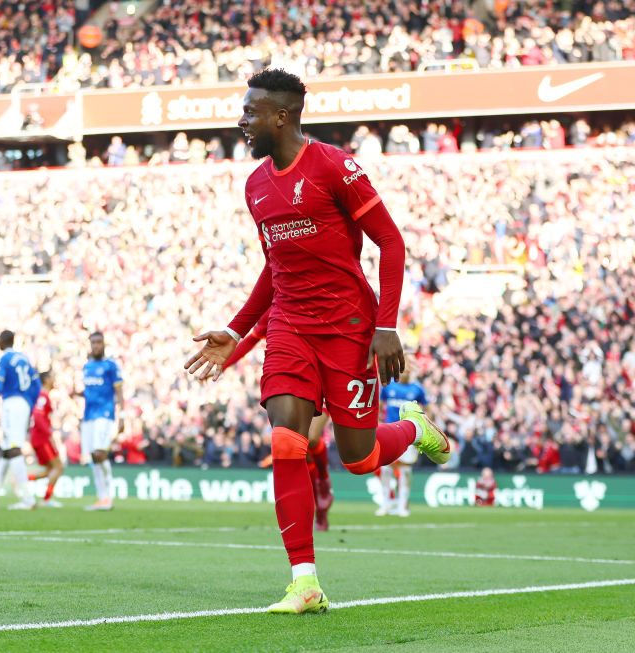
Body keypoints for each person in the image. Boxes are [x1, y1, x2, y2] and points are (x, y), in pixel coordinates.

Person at [184, 68, 450, 614]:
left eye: (251, 111)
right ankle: (304, 582)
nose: (242, 120)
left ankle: (412, 428)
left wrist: (384, 324)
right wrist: (235, 330)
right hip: (288, 327)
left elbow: (391, 243)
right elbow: (273, 267)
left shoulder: (334, 166)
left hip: (348, 327)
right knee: (287, 441)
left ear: (281, 116)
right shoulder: (255, 184)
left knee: (358, 457)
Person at [222, 310, 334, 531]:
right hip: (298, 379)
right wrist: (223, 364)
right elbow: (251, 339)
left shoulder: (320, 299)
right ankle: (318, 509)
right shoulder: (277, 305)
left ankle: (323, 480)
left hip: (326, 377)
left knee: (311, 439)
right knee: (298, 447)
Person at [0, 330, 41, 510]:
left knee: (13, 448)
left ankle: (27, 499)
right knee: (6, 450)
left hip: (12, 403)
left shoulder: (3, 359)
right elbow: (37, 385)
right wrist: (30, 405)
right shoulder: (24, 358)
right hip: (24, 404)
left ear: (1, 342)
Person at [375, 363, 428, 517]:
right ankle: (385, 504)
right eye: (401, 371)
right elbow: (379, 405)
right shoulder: (388, 386)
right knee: (385, 470)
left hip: (408, 434)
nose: (404, 373)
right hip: (389, 433)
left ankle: (402, 505)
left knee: (405, 471)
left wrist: (423, 424)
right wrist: (379, 421)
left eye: (407, 371)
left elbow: (427, 408)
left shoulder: (417, 389)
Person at [80, 331, 124, 511]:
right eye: (93, 343)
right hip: (88, 415)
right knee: (92, 455)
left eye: (99, 342)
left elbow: (119, 392)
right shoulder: (87, 367)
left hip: (105, 414)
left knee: (100, 452)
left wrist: (122, 416)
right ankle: (102, 498)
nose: (96, 346)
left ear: (104, 344)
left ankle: (108, 497)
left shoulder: (111, 365)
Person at [28, 370, 64, 507]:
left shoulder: (40, 396)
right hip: (42, 437)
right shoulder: (43, 396)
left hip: (37, 437)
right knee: (58, 467)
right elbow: (38, 417)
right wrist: (50, 435)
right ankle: (47, 499)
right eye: (52, 377)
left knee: (50, 469)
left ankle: (22, 480)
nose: (55, 380)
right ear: (47, 380)